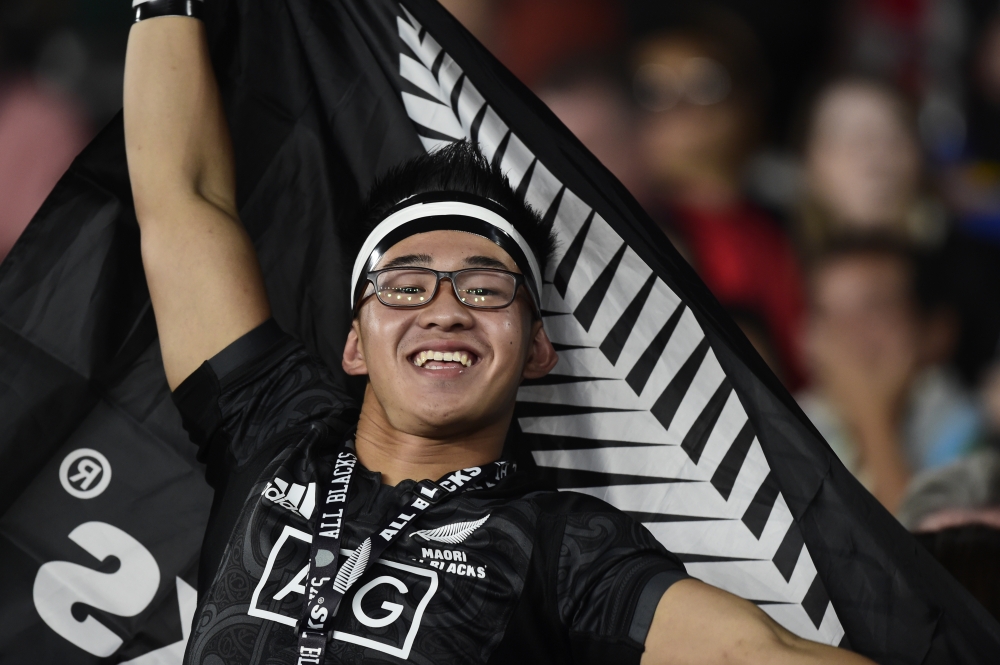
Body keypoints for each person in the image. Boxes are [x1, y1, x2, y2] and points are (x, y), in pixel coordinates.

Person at [122, 5, 875, 664]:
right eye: (407, 286)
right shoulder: (273, 427)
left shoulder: (562, 546)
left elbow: (755, 651)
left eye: (485, 289)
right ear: (355, 342)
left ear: (539, 349)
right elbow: (181, 198)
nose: (444, 310)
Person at [631, 7, 806, 389]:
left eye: (706, 83)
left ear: (746, 98)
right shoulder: (639, 235)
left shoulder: (795, 214)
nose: (682, 106)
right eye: (654, 91)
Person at [797, 236, 983, 513]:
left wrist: (872, 416)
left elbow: (918, 545)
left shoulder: (962, 426)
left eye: (874, 308)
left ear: (936, 330)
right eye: (827, 313)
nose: (847, 334)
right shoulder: (793, 421)